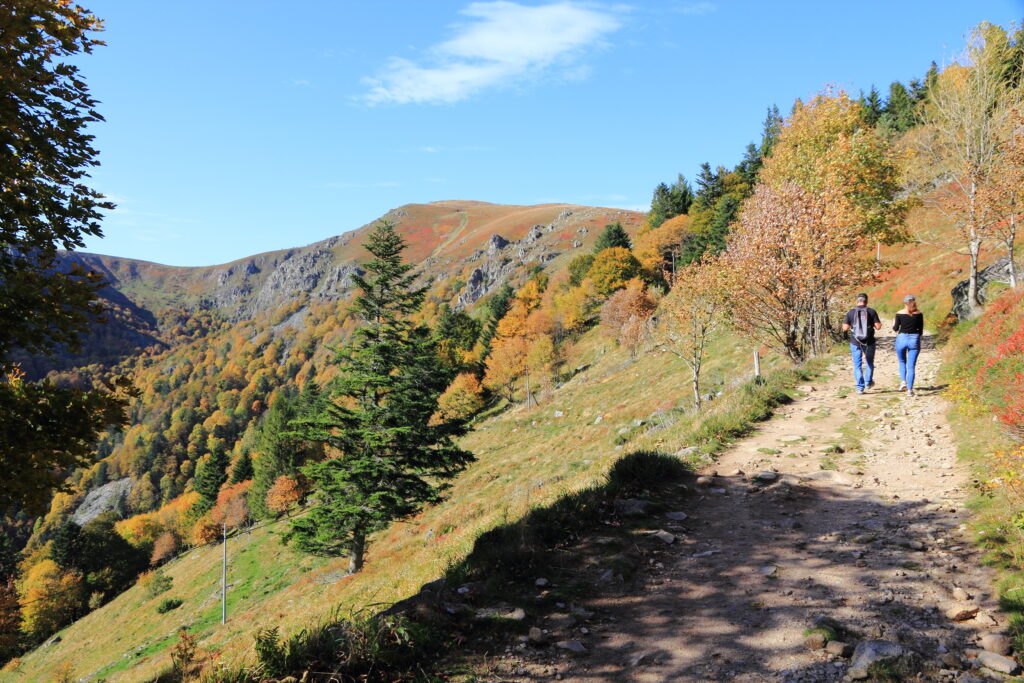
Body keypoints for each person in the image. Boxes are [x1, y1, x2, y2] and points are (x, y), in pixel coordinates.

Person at [842, 293, 882, 394]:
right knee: (869, 362)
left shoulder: (851, 312)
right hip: (869, 341)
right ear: (866, 301)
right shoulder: (871, 311)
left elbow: (845, 328)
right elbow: (878, 326)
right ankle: (868, 382)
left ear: (857, 301)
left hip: (855, 342)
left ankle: (860, 387)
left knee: (857, 364)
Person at [893, 294, 924, 397]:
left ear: (904, 303)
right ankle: (910, 390)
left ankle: (903, 382)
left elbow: (896, 328)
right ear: (914, 302)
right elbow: (921, 330)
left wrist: (895, 325)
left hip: (902, 338)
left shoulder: (899, 313)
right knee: (911, 366)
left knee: (902, 361)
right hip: (914, 339)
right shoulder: (919, 314)